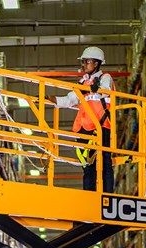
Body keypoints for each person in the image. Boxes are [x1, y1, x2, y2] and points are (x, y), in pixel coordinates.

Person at [48, 47, 114, 193]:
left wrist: (89, 88)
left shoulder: (105, 78)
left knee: (104, 162)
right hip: (83, 128)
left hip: (100, 126)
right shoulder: (82, 82)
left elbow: (103, 90)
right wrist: (55, 100)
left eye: (86, 62)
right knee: (87, 165)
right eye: (83, 62)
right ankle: (89, 194)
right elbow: (71, 99)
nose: (84, 65)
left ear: (96, 63)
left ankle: (107, 194)